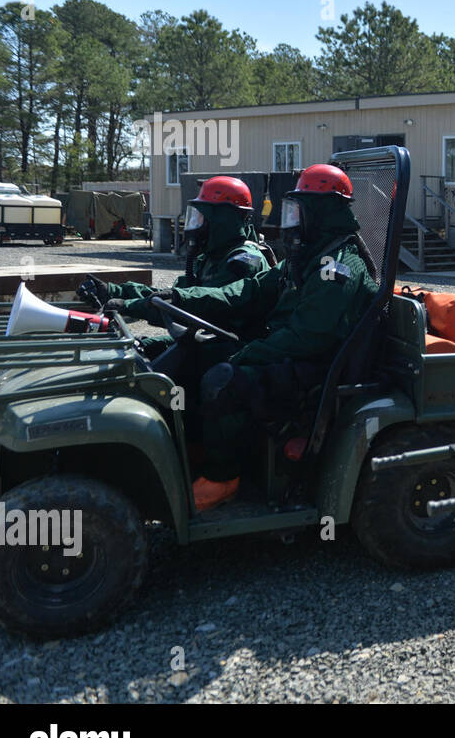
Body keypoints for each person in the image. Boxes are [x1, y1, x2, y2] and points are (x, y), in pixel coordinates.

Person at [141, 164, 379, 511]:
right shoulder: (305, 257)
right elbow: (246, 292)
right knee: (202, 351)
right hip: (291, 352)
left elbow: (308, 337)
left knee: (223, 379)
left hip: (316, 367)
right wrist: (179, 299)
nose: (293, 218)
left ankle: (223, 478)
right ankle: (198, 449)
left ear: (324, 210)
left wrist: (245, 354)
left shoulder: (338, 266)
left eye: (301, 209)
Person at [78, 176, 270, 356]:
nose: (194, 225)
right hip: (209, 338)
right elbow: (175, 295)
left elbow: (192, 306)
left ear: (222, 221)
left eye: (201, 218)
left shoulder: (243, 262)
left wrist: (128, 306)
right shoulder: (213, 257)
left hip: (235, 350)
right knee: (137, 349)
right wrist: (116, 291)